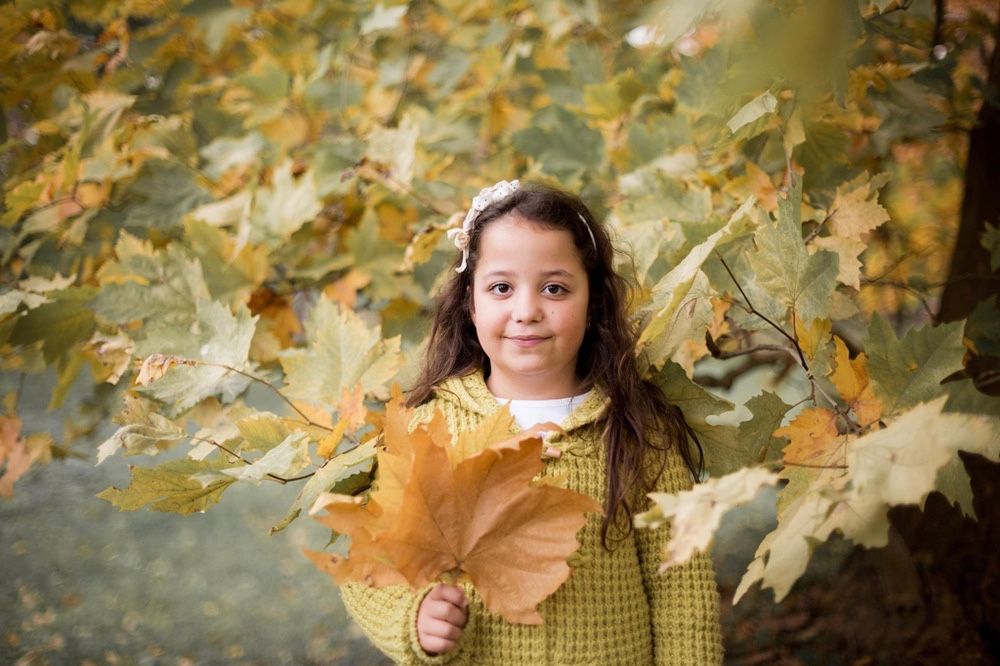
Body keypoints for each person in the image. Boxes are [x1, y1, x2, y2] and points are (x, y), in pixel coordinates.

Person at [338, 181, 723, 664]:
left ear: (593, 305)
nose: (526, 311)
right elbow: (369, 562)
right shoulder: (426, 429)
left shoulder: (638, 432)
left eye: (555, 288)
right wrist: (411, 618)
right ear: (471, 304)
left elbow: (682, 597)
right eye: (501, 287)